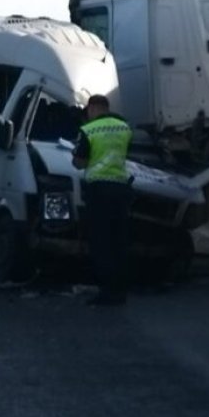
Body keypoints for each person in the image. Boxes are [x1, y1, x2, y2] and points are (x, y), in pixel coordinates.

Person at [72, 94, 134, 306]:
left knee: (102, 242)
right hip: (121, 189)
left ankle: (106, 291)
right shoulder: (124, 127)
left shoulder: (88, 130)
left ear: (91, 109)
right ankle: (121, 290)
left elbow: (79, 163)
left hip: (98, 191)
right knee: (119, 241)